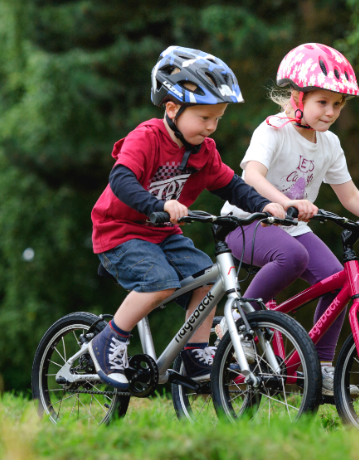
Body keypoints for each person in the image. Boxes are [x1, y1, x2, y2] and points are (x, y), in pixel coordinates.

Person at [89, 46, 286, 390]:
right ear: (171, 108)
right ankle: (109, 341)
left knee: (208, 280)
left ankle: (195, 353)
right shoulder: (147, 138)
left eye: (217, 119)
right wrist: (157, 204)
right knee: (160, 281)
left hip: (163, 234)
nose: (211, 127)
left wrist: (264, 205)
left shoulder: (204, 151)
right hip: (120, 232)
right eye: (204, 118)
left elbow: (231, 185)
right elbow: (120, 180)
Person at [220, 43, 359, 396]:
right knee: (293, 257)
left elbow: (350, 196)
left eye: (337, 105)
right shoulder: (272, 130)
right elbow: (252, 178)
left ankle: (321, 366)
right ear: (297, 98)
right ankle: (240, 320)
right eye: (322, 102)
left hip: (292, 225)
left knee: (339, 281)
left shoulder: (330, 144)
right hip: (246, 222)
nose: (331, 112)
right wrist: (286, 203)